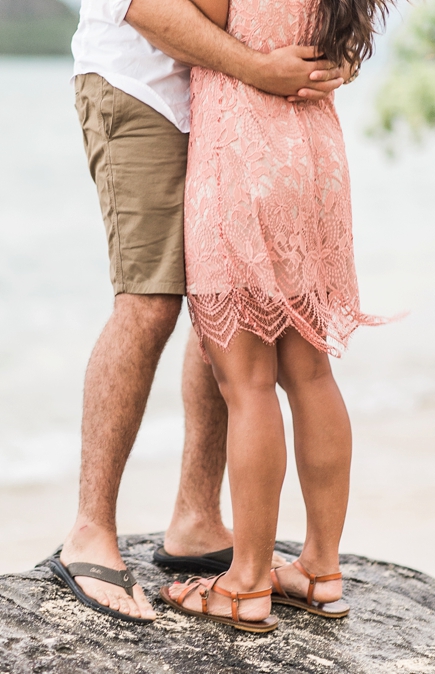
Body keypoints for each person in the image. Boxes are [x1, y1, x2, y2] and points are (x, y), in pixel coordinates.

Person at [49, 0, 347, 624]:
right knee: (152, 301)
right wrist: (274, 65)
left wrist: (282, 65)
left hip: (238, 112)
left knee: (230, 327)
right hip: (149, 92)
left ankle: (196, 519)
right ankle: (91, 530)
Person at [157, 0, 392, 632]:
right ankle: (319, 567)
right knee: (310, 373)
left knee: (247, 381)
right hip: (315, 159)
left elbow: (172, 27)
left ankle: (247, 581)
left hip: (242, 155)